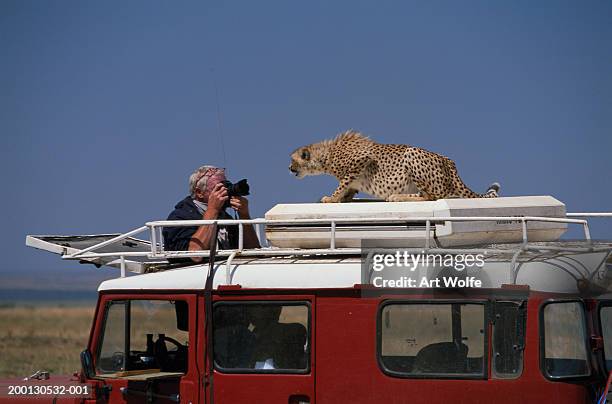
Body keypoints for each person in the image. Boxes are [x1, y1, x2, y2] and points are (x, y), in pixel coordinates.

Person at [163, 165, 260, 262]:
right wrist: (212, 210)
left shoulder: (225, 218)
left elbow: (253, 251)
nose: (225, 192)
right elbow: (195, 254)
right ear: (199, 192)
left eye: (227, 186)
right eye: (218, 188)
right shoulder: (180, 217)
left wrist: (244, 215)